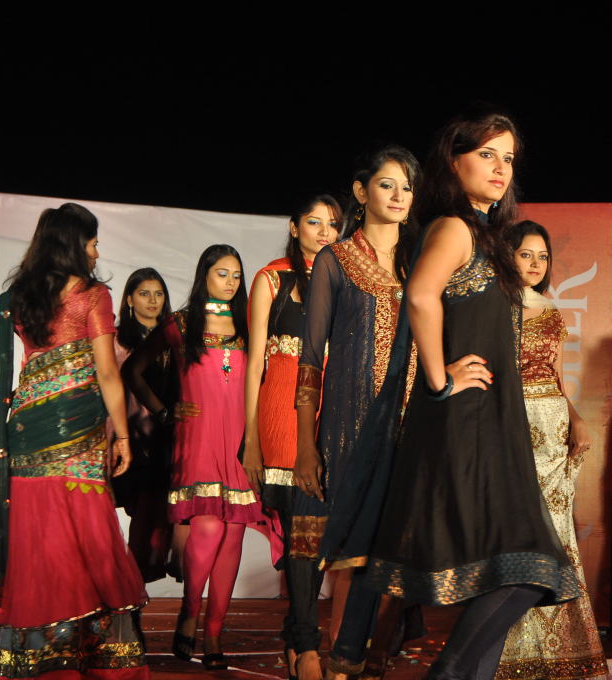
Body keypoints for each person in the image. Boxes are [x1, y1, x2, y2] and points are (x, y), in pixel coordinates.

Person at [338, 111, 580, 680]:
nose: (501, 168)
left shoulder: (490, 236)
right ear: (454, 161)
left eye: (508, 158)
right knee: (528, 567)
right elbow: (421, 296)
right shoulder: (454, 226)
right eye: (487, 154)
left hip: (493, 416)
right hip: (464, 418)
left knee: (505, 570)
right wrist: (440, 379)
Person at [0, 202, 149, 679]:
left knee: (35, 539)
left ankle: (26, 655)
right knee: (82, 537)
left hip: (24, 433)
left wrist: (7, 394)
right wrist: (122, 435)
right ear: (75, 245)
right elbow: (107, 373)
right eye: (93, 243)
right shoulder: (92, 295)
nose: (97, 253)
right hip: (77, 434)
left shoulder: (20, 297)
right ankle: (84, 655)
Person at [288, 145, 421, 680]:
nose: (399, 196)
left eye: (407, 187)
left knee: (398, 556)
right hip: (349, 427)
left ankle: (372, 661)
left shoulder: (421, 262)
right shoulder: (335, 261)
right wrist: (305, 444)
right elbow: (309, 361)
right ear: (362, 192)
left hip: (411, 428)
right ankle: (337, 661)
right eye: (387, 184)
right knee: (351, 556)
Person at [124, 244, 274, 670]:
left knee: (233, 535)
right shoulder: (181, 323)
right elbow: (133, 370)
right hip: (200, 439)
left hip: (242, 442)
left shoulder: (249, 324)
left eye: (236, 275)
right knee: (207, 529)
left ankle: (214, 633)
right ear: (204, 274)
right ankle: (189, 611)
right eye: (222, 273)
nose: (231, 282)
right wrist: (165, 411)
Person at [496, 220, 608, 680]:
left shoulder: (552, 311)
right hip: (509, 425)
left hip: (553, 426)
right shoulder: (492, 306)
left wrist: (576, 419)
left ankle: (567, 646)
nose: (535, 263)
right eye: (526, 254)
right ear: (506, 255)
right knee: (515, 533)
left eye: (542, 256)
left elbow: (559, 379)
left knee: (556, 534)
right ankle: (507, 648)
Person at [242, 194, 342, 679]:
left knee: (317, 538)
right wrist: (251, 441)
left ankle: (297, 637)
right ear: (293, 226)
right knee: (302, 531)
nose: (325, 232)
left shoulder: (344, 280)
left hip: (332, 415)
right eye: (314, 222)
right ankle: (306, 647)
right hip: (282, 414)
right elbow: (253, 365)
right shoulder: (272, 279)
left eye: (333, 224)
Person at [111, 268, 176, 582]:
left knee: (158, 518)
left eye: (159, 293)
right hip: (130, 434)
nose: (153, 300)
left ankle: (135, 582)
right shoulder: (116, 341)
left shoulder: (176, 337)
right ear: (129, 299)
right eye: (144, 293)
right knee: (140, 514)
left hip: (168, 436)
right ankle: (128, 584)